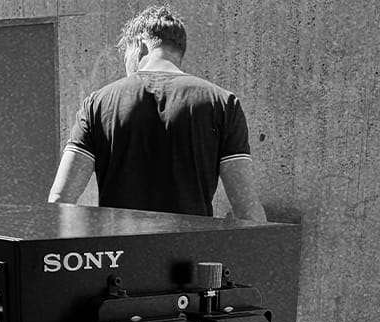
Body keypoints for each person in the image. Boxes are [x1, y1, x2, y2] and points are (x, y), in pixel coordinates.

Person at [47, 5, 266, 220]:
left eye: (126, 56)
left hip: (120, 243)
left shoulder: (97, 104)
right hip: (190, 243)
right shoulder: (222, 104)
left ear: (141, 45)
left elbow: (61, 199)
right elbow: (246, 208)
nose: (126, 66)